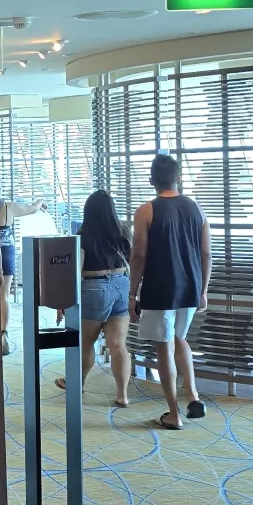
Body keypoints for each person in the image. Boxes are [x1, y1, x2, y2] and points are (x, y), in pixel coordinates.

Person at [129, 154, 210, 431]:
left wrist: (132, 294)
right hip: (190, 287)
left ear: (151, 180)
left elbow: (139, 255)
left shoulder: (146, 211)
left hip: (160, 287)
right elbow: (206, 254)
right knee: (179, 338)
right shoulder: (196, 208)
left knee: (164, 347)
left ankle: (174, 413)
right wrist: (203, 290)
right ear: (179, 177)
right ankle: (194, 396)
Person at [53, 190, 133, 408]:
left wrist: (63, 301)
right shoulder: (123, 231)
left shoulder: (83, 234)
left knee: (86, 342)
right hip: (122, 284)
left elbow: (74, 271)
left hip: (95, 287)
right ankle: (123, 395)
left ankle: (76, 383)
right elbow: (131, 260)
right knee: (118, 344)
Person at [0, 183, 49, 354]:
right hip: (6, 253)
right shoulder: (8, 207)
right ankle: (3, 335)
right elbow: (31, 209)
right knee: (3, 296)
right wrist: (40, 201)